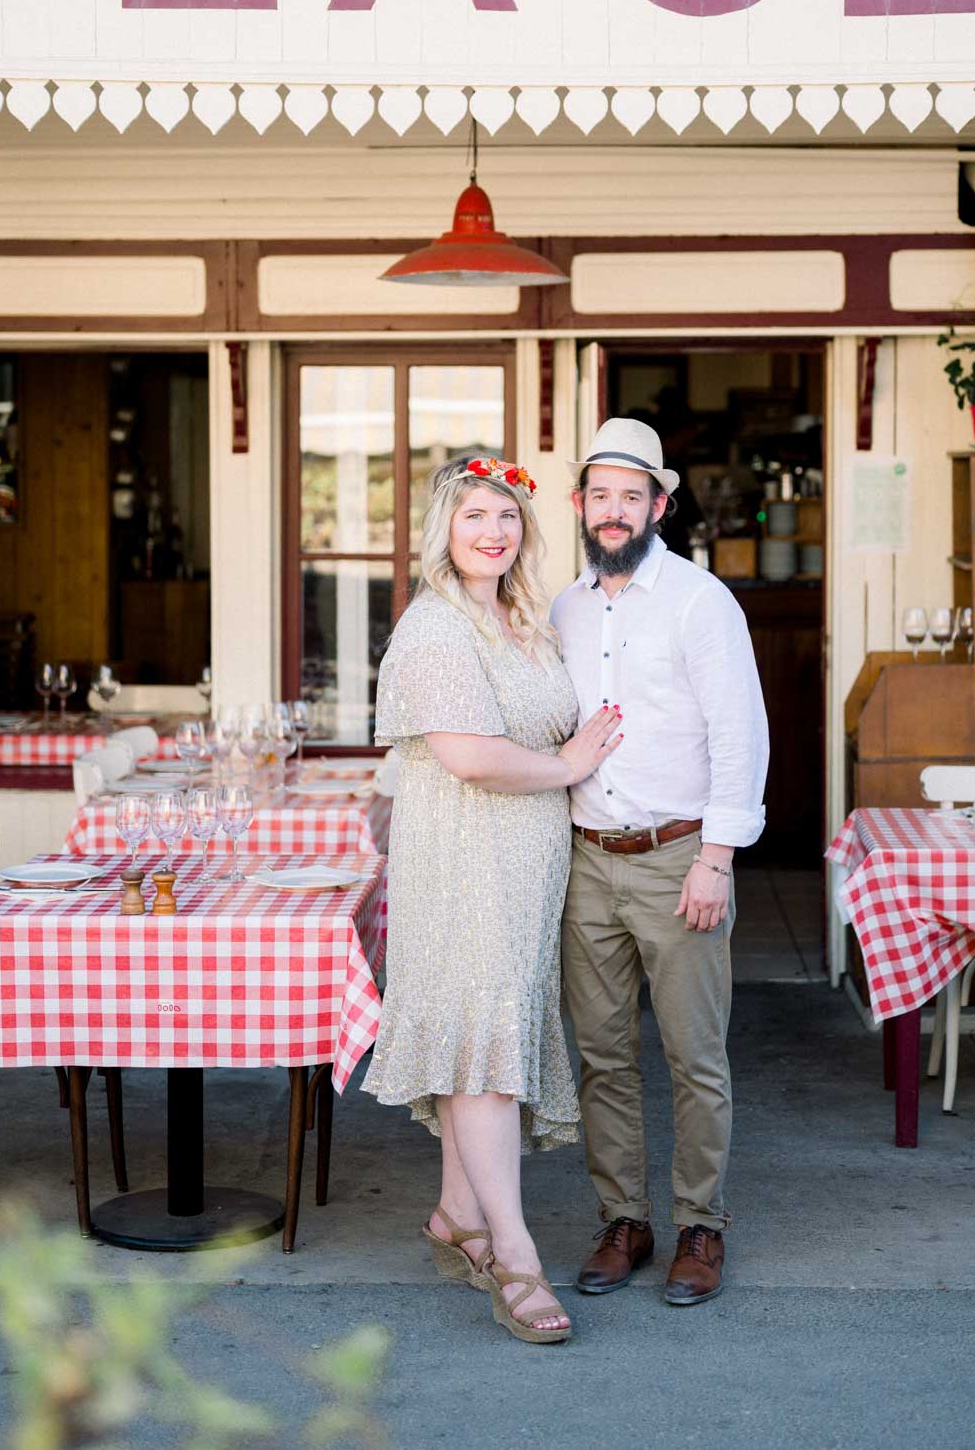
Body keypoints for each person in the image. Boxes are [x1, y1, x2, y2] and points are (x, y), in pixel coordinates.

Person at [363, 453, 623, 1345]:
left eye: (507, 515)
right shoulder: (437, 627)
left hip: (527, 863)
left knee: (493, 1030)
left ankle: (455, 1216)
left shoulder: (519, 616)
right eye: (475, 514)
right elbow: (469, 755)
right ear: (445, 529)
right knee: (482, 1041)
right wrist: (567, 766)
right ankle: (513, 1256)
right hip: (466, 857)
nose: (493, 531)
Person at [552, 418, 769, 1308]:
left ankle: (701, 1226)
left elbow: (739, 732)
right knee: (602, 1056)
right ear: (579, 505)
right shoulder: (562, 608)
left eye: (630, 497)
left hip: (678, 857)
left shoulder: (700, 600)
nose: (614, 512)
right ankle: (625, 1221)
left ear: (661, 506)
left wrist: (716, 858)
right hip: (585, 861)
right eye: (599, 496)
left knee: (693, 1056)